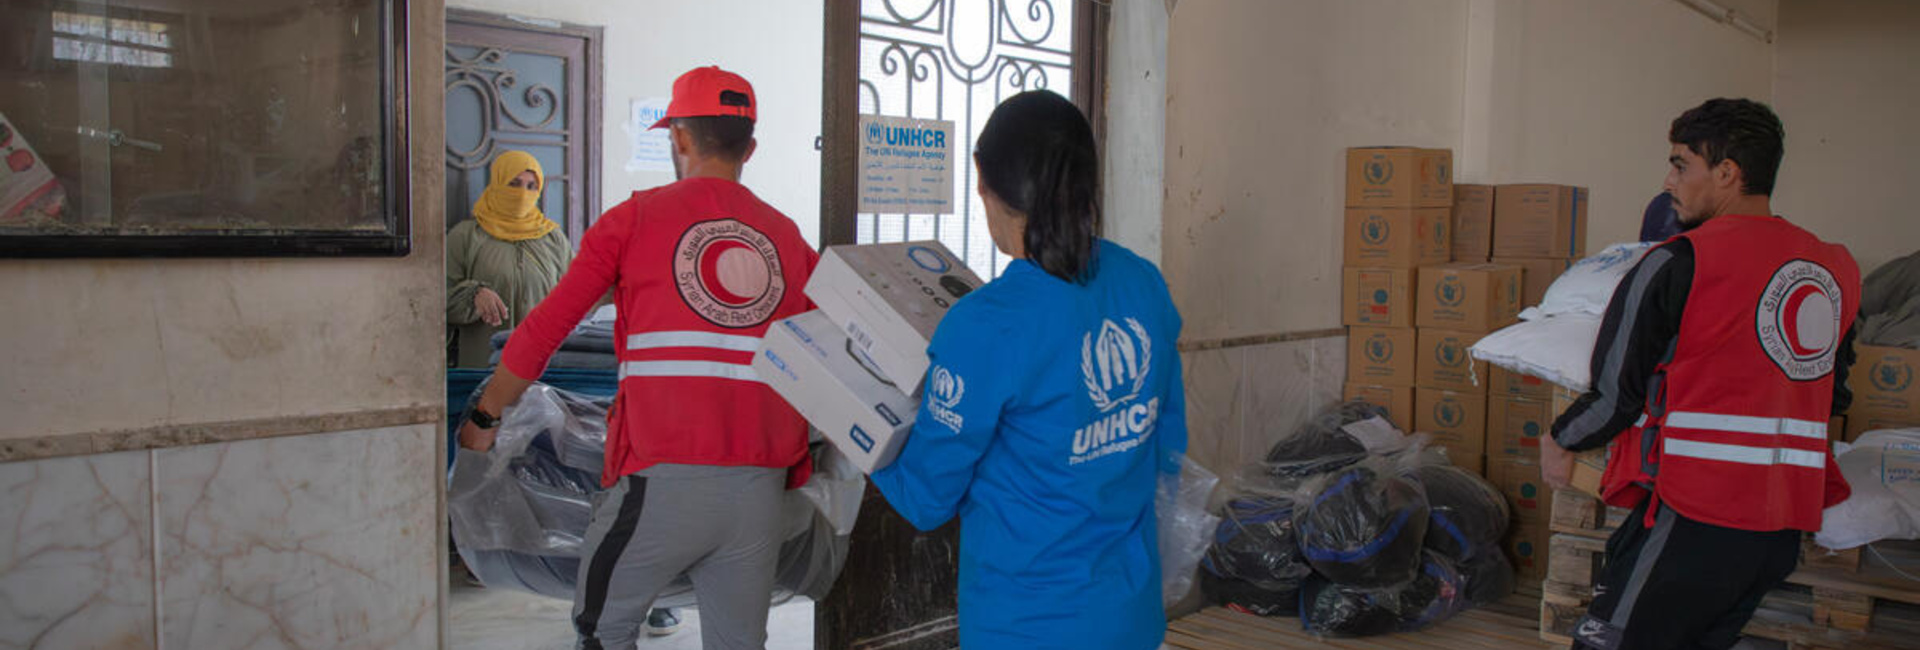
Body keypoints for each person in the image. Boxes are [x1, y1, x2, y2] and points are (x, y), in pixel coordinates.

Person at [456, 66, 817, 650]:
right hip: (760, 487)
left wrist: (485, 416)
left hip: (659, 483)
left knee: (604, 631)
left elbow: (546, 327)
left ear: (677, 137)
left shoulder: (634, 219)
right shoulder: (786, 236)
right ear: (750, 146)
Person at [870, 90, 1187, 650]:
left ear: (983, 182)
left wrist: (858, 438)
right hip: (1129, 616)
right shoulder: (1141, 282)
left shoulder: (986, 325)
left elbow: (926, 494)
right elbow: (1168, 442)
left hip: (1025, 624)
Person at [1541, 98, 1859, 650]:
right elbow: (1836, 391)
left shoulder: (1678, 261)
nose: (1669, 181)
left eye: (1681, 164)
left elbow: (1617, 392)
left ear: (1727, 173)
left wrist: (1559, 437)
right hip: (1781, 526)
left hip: (1696, 518)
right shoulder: (1835, 266)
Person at [446, 150, 573, 368]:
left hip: (544, 371)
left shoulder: (554, 239)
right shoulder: (466, 236)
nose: (523, 193)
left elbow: (577, 299)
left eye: (531, 186)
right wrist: (473, 294)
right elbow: (434, 299)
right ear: (497, 183)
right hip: (483, 368)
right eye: (514, 183)